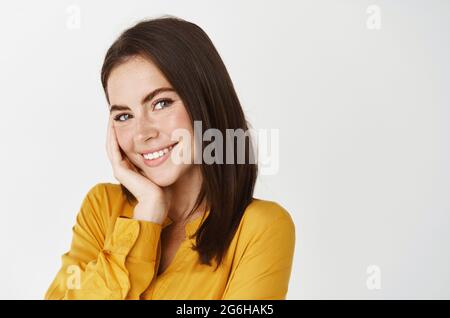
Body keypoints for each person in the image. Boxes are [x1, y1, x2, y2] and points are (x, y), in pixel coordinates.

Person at [45, 16, 295, 300]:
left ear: (205, 101)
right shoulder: (102, 208)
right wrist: (145, 218)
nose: (142, 133)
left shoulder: (260, 227)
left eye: (161, 103)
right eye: (124, 116)